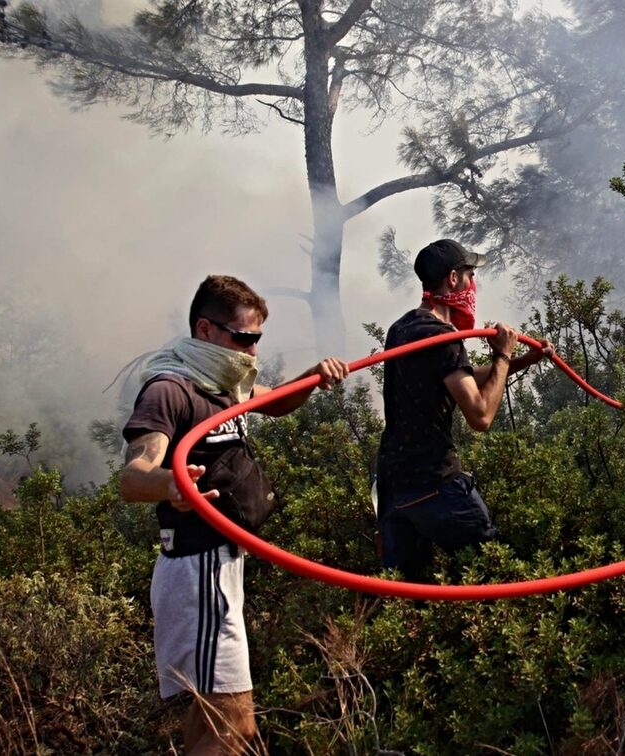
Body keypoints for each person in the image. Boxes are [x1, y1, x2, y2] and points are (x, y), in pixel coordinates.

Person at [119, 275, 348, 755]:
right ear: (205, 329)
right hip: (198, 567)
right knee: (233, 727)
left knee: (212, 723)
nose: (252, 352)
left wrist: (312, 376)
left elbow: (275, 401)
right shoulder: (171, 389)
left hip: (220, 565)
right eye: (243, 338)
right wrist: (172, 483)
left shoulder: (223, 384)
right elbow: (133, 475)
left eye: (258, 339)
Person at [375, 239, 552, 581]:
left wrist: (519, 360)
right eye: (471, 275)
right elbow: (480, 415)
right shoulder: (442, 337)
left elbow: (456, 380)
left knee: (407, 596)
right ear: (453, 279)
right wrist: (501, 354)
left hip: (394, 486)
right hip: (434, 482)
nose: (474, 285)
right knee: (494, 571)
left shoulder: (403, 329)